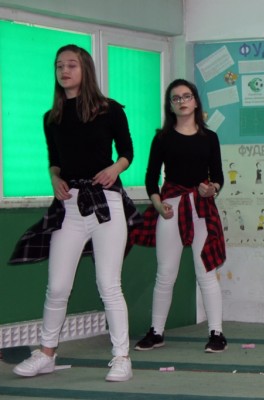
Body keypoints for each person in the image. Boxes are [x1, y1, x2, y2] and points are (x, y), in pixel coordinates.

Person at [10, 44, 139, 382]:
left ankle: (121, 357)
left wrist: (115, 169)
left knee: (109, 284)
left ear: (85, 70)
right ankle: (46, 354)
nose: (64, 71)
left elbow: (127, 151)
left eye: (71, 65)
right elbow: (55, 160)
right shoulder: (51, 117)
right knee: (57, 287)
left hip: (105, 203)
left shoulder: (109, 109)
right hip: (69, 206)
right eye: (59, 66)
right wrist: (54, 179)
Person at [130, 79, 227, 353]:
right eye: (176, 98)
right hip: (170, 209)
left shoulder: (210, 137)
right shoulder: (162, 138)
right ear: (170, 106)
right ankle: (156, 332)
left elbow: (218, 177)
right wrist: (158, 205)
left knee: (206, 272)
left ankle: (216, 333)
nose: (182, 101)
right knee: (165, 273)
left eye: (187, 96)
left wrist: (212, 189)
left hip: (201, 209)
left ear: (195, 101)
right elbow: (151, 179)